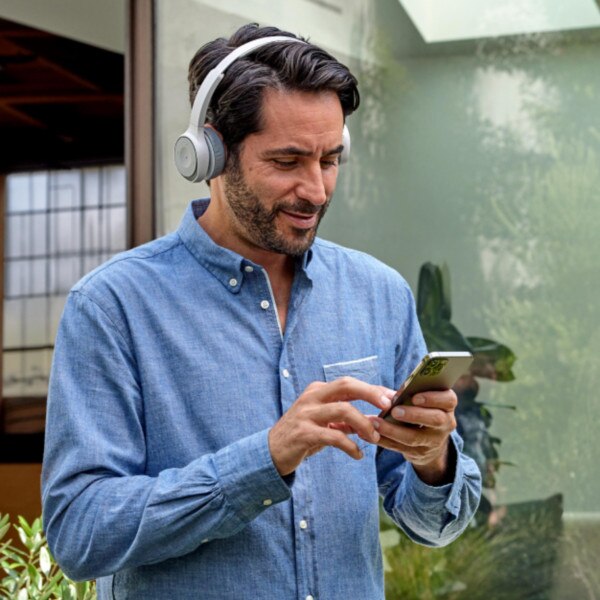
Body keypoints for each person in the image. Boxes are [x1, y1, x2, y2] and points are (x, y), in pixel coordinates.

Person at [42, 23, 481, 600]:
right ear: (212, 152)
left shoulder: (380, 293)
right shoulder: (113, 307)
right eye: (288, 160)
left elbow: (430, 523)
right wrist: (264, 460)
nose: (317, 190)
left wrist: (432, 460)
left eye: (329, 159)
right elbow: (79, 533)